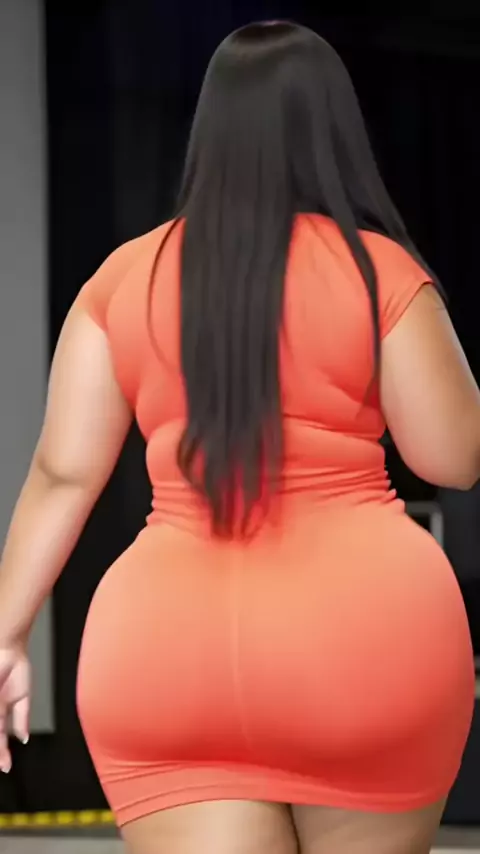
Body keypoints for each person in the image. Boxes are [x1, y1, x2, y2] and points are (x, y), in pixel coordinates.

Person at [0, 20, 478, 854]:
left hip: (165, 658)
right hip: (367, 651)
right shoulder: (383, 274)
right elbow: (453, 456)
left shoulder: (122, 278)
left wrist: (6, 633)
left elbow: (63, 474)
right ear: (337, 133)